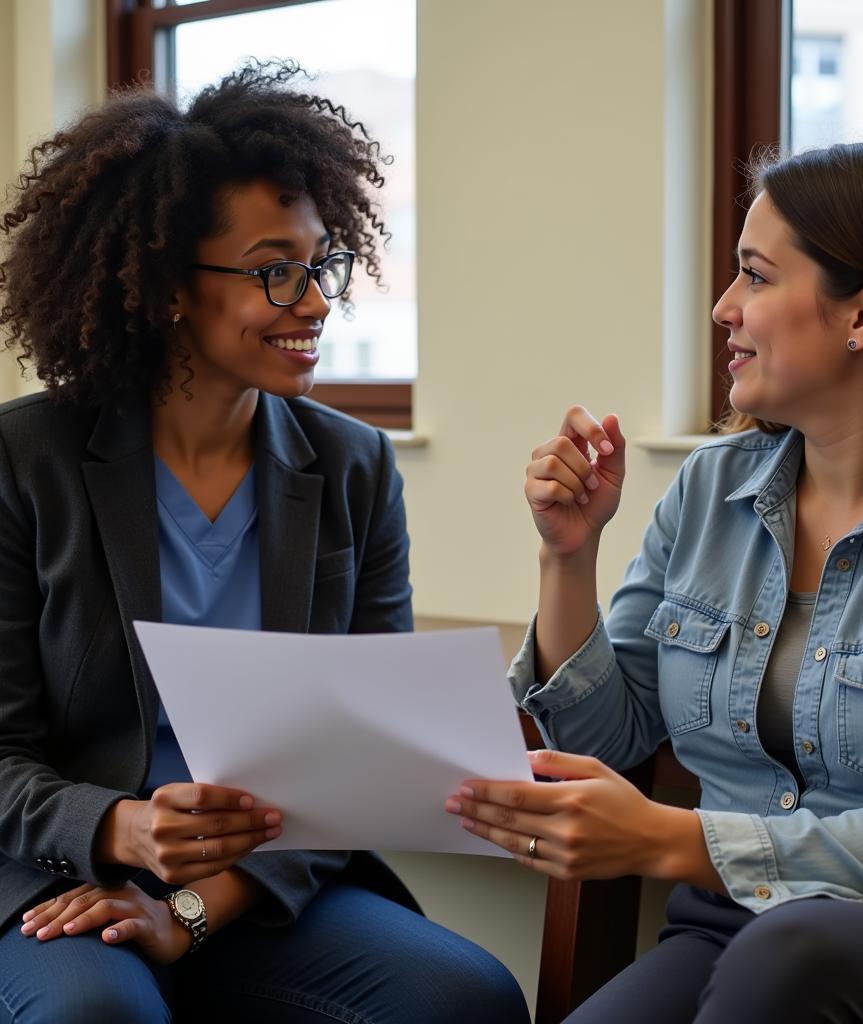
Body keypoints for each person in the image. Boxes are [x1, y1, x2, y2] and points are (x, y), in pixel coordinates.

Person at [447, 138, 863, 1022]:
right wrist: (568, 556)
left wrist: (670, 837)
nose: (724, 308)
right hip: (731, 927)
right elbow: (610, 740)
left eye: (756, 277)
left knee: (795, 960)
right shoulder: (713, 488)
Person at [0, 62, 529, 1024]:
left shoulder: (354, 467)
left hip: (264, 888)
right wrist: (120, 828)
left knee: (468, 996)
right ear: (166, 287)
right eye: (274, 270)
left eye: (321, 264)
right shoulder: (22, 460)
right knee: (97, 1016)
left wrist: (195, 909)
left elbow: (372, 758)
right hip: (52, 878)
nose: (316, 301)